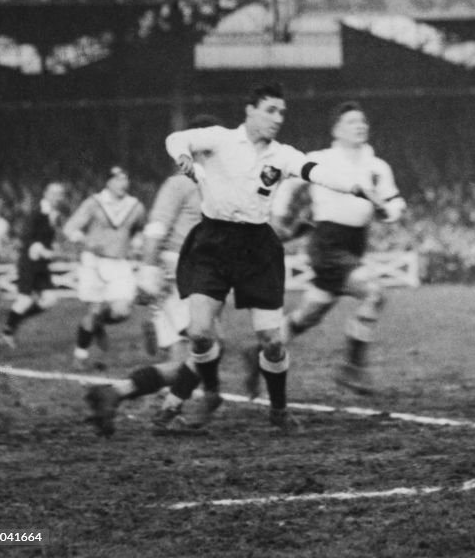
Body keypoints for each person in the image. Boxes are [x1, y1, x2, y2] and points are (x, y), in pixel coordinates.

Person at [151, 83, 384, 435]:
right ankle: (201, 394)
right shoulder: (220, 139)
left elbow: (314, 170)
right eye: (271, 110)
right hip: (212, 241)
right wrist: (183, 156)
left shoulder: (283, 155)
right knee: (199, 333)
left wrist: (354, 187)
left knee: (273, 342)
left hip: (257, 246)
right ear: (250, 110)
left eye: (282, 112)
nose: (278, 118)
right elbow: (175, 138)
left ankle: (278, 412)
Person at [243, 101, 406, 399]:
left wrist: (390, 212)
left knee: (309, 315)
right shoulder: (321, 160)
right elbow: (287, 182)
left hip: (355, 244)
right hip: (327, 243)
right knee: (374, 293)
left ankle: (259, 352)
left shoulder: (377, 166)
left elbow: (395, 201)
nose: (360, 125)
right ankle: (352, 367)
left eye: (363, 121)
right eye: (351, 122)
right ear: (336, 130)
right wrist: (278, 220)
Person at [82, 116, 223, 436]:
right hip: (177, 277)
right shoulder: (179, 184)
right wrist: (148, 269)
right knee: (208, 348)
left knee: (187, 359)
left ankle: (114, 394)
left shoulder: (210, 186)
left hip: (195, 277)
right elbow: (157, 227)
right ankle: (178, 408)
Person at [64, 166, 147, 370]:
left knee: (122, 311)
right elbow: (70, 228)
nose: (123, 183)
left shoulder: (135, 206)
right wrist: (84, 240)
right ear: (108, 182)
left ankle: (99, 323)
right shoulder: (95, 203)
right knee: (93, 311)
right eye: (118, 179)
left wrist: (137, 242)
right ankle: (80, 355)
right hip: (94, 262)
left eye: (125, 179)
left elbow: (141, 229)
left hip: (119, 263)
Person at [0, 182, 67, 348]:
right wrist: (42, 250)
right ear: (46, 193)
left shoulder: (54, 214)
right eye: (54, 193)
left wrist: (53, 248)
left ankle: (14, 321)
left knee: (49, 299)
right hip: (29, 262)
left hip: (42, 265)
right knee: (25, 300)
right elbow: (27, 237)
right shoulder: (36, 213)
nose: (57, 197)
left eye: (60, 194)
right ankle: (7, 333)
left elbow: (49, 238)